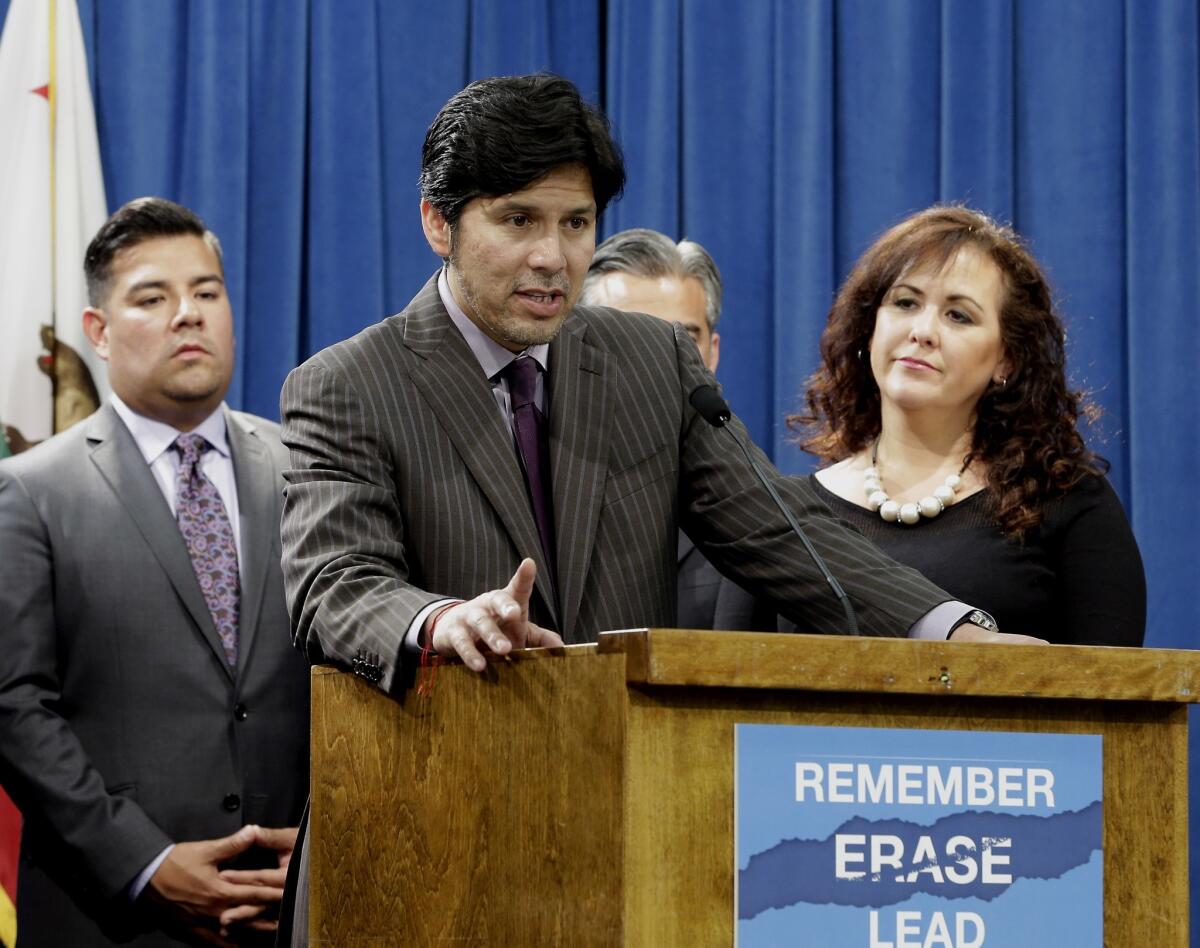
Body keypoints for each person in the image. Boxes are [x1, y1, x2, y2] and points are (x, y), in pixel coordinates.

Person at [0, 198, 311, 947]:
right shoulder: (31, 492)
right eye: (153, 297)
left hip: (295, 906)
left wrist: (321, 849)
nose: (189, 315)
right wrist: (145, 862)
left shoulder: (306, 468)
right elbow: (13, 707)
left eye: (207, 292)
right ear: (98, 333)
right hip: (110, 917)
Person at [788, 205, 1144, 645]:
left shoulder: (1065, 502)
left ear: (1005, 360)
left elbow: (1114, 695)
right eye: (905, 302)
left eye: (958, 315)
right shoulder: (791, 513)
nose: (923, 331)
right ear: (869, 328)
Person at [581, 227, 775, 632]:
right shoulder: (528, 481)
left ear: (712, 353)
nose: (659, 364)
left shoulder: (761, 507)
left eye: (683, 342)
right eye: (631, 337)